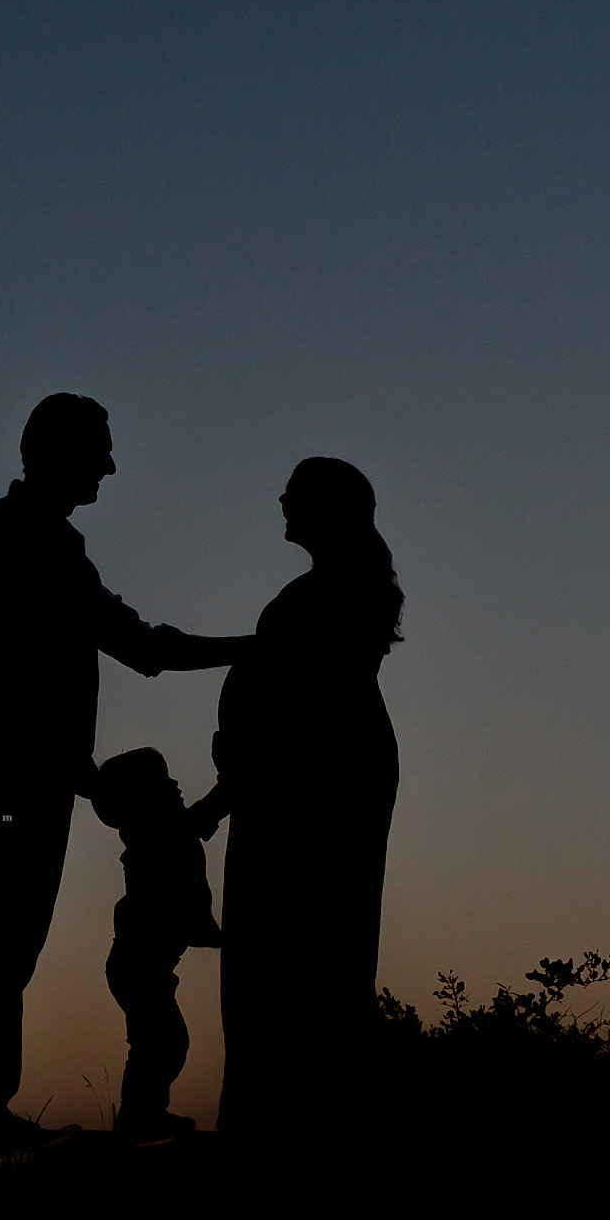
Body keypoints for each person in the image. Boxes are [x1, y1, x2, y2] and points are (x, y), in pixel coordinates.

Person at [0, 394, 247, 1143]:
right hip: (7, 771)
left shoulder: (57, 549)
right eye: (98, 449)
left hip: (42, 774)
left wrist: (250, 646)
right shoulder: (3, 538)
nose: (109, 465)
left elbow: (142, 646)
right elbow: (6, 677)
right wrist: (81, 768)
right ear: (56, 451)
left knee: (8, 937)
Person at [192, 456, 403, 1137]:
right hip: (296, 781)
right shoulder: (328, 591)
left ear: (327, 508)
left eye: (296, 492)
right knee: (292, 951)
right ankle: (293, 1114)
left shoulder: (333, 596)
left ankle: (288, 1122)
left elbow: (298, 714)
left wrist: (226, 794)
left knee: (296, 952)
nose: (280, 498)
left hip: (310, 787)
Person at [91, 747, 223, 1141]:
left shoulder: (163, 830)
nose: (174, 783)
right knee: (161, 1041)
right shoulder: (157, 835)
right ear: (138, 802)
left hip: (145, 966)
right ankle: (140, 1115)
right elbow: (202, 817)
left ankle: (143, 1112)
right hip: (139, 967)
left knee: (157, 1041)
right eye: (161, 780)